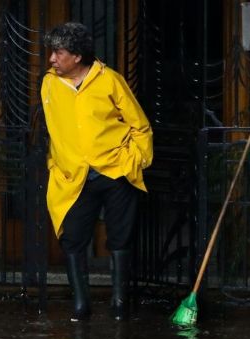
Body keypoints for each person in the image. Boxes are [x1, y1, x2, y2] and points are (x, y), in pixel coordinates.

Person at [40, 22, 153, 321]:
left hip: (115, 171)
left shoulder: (109, 81)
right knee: (73, 238)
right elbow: (54, 129)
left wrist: (135, 160)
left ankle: (119, 303)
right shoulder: (49, 84)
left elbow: (139, 125)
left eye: (58, 52)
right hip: (73, 175)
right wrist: (56, 162)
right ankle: (81, 304)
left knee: (120, 237)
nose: (52, 58)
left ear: (77, 56)